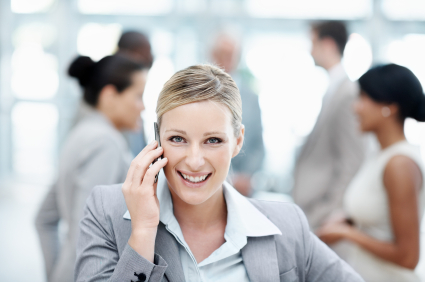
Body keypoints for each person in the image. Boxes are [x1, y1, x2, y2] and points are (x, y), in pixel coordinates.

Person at [74, 64, 364, 282]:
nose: (195, 161)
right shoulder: (108, 212)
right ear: (157, 138)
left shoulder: (286, 226)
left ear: (237, 141)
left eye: (213, 140)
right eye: (178, 139)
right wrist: (143, 233)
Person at [35, 55, 148, 282]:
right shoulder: (105, 143)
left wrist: (55, 275)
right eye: (138, 96)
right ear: (109, 96)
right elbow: (85, 233)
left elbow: (43, 218)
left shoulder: (82, 133)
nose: (143, 106)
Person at [318, 64, 425, 282]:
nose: (355, 108)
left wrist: (347, 234)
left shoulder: (399, 164)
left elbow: (408, 256)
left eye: (363, 98)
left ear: (389, 106)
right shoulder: (379, 155)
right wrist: (349, 220)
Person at [292, 21, 365, 231]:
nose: (310, 50)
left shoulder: (347, 93)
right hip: (314, 213)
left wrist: (329, 214)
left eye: (313, 43)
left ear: (329, 44)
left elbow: (351, 162)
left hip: (325, 218)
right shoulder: (333, 89)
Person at [211, 33, 265, 196]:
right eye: (221, 54)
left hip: (242, 186)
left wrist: (244, 176)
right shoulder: (198, 94)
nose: (225, 60)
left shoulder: (251, 96)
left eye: (230, 55)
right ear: (212, 55)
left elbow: (258, 144)